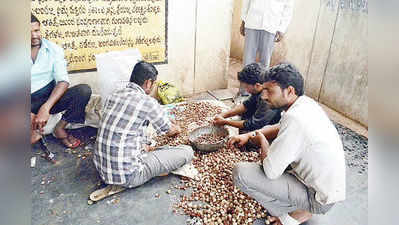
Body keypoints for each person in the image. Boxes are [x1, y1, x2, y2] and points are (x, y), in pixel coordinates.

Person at [229, 63, 346, 225]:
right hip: (330, 187)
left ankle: (291, 213)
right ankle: (302, 206)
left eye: (269, 91)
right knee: (276, 145)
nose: (263, 96)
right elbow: (279, 126)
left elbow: (270, 171)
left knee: (241, 173)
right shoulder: (305, 103)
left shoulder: (295, 119)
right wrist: (250, 135)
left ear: (289, 91)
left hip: (319, 198)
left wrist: (262, 141)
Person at [92, 61, 194, 201]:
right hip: (128, 175)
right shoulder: (147, 102)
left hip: (102, 169)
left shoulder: (113, 95)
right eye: (154, 83)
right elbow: (170, 131)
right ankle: (142, 173)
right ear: (148, 83)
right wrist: (178, 127)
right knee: (187, 151)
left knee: (149, 143)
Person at [30, 14, 92, 148]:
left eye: (36, 30)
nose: (34, 35)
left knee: (83, 91)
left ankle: (60, 128)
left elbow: (63, 81)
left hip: (48, 97)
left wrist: (45, 108)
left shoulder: (53, 49)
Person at [237, 0, 294, 97]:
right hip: (253, 21)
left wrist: (281, 29)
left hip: (271, 25)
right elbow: (247, 2)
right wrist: (243, 20)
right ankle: (244, 92)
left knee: (265, 63)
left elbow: (288, 8)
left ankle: (260, 93)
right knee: (248, 59)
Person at [214, 63, 281, 133]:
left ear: (257, 85)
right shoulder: (258, 89)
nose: (245, 90)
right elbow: (246, 104)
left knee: (247, 133)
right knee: (244, 113)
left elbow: (254, 124)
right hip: (260, 118)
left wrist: (226, 122)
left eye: (246, 87)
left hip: (268, 126)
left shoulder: (267, 99)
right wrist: (223, 115)